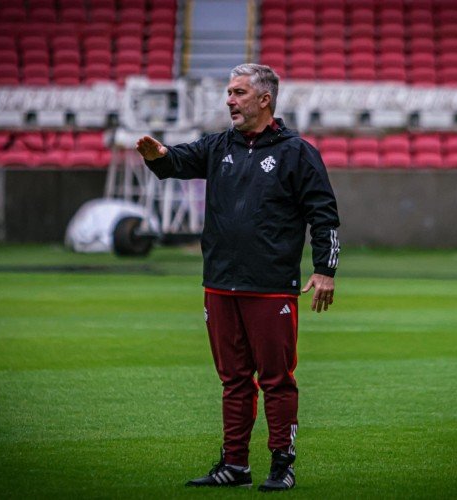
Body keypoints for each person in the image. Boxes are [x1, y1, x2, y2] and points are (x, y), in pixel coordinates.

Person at [136, 63, 340, 492]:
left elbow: (324, 215)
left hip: (269, 288)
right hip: (220, 283)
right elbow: (177, 161)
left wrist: (325, 269)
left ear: (264, 99)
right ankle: (234, 465)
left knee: (276, 380)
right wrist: (158, 155)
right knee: (233, 380)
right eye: (229, 92)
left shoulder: (298, 152)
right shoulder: (218, 146)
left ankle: (282, 464)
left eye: (238, 92)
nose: (229, 99)